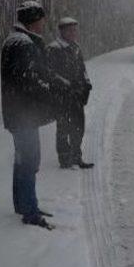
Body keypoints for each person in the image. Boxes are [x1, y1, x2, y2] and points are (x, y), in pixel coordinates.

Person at [1, 1, 71, 230]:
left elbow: (34, 74)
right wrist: (53, 93)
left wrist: (56, 81)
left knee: (22, 161)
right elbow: (30, 81)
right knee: (29, 162)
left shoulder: (14, 40)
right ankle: (30, 212)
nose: (44, 24)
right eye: (41, 19)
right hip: (23, 114)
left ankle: (23, 205)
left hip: (17, 112)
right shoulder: (23, 44)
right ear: (32, 20)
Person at [46, 17, 94, 170]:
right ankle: (65, 158)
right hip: (62, 97)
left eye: (75, 30)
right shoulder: (54, 49)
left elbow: (82, 69)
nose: (74, 33)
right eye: (70, 30)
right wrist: (67, 85)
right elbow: (51, 74)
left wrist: (86, 85)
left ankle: (76, 157)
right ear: (62, 31)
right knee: (63, 128)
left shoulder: (75, 47)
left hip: (77, 96)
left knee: (78, 127)